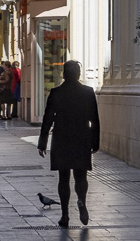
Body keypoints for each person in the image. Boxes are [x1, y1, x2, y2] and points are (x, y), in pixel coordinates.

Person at [37, 60, 100, 227]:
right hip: (82, 136)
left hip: (61, 137)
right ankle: (81, 200)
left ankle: (65, 215)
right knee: (81, 175)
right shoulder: (87, 92)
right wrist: (95, 142)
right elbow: (94, 119)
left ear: (64, 74)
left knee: (63, 177)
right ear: (79, 74)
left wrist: (42, 142)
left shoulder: (56, 92)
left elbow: (48, 118)